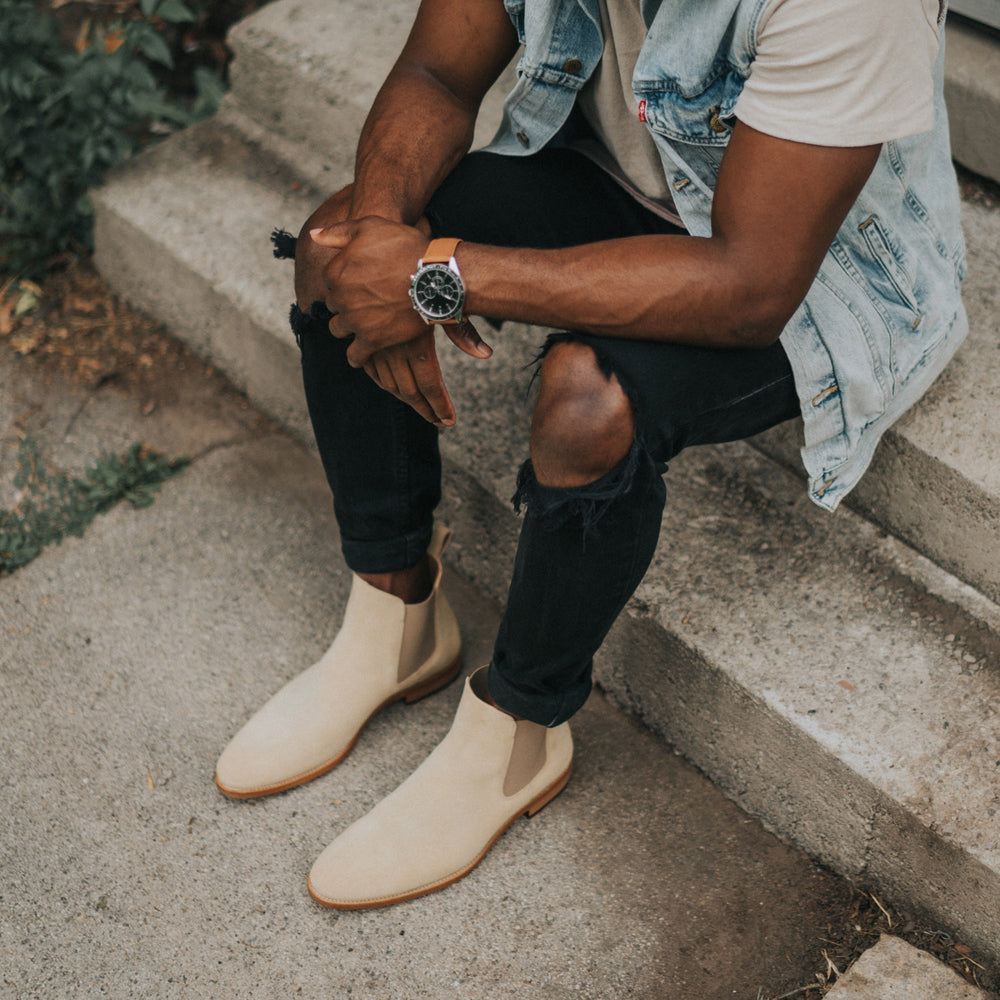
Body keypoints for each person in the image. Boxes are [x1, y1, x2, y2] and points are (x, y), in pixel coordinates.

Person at [215, 0, 967, 910]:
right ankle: (395, 620)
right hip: (616, 183)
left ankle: (520, 730)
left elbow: (750, 286)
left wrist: (433, 276)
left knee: (586, 404)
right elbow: (436, 76)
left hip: (815, 271)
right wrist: (379, 254)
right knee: (335, 249)